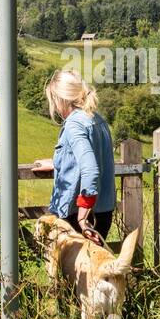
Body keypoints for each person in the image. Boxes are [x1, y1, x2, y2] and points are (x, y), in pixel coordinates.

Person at [34, 69, 116, 244]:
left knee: (77, 271)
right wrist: (57, 163)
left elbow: (91, 170)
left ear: (61, 99)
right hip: (102, 212)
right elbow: (93, 157)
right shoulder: (97, 119)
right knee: (95, 270)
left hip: (79, 217)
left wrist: (82, 217)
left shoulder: (74, 124)